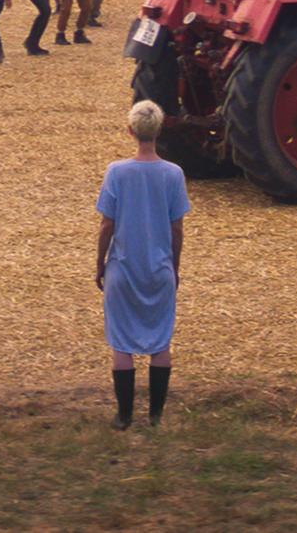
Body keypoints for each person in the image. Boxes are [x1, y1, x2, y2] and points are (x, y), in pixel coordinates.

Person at [96, 100, 188, 430]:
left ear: (130, 131)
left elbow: (107, 224)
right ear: (159, 131)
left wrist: (100, 264)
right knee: (160, 342)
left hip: (123, 270)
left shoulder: (116, 172)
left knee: (122, 343)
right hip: (159, 270)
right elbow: (177, 227)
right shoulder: (173, 174)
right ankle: (155, 416)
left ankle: (123, 417)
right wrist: (174, 267)